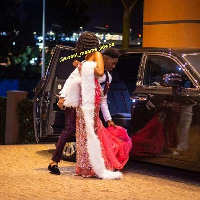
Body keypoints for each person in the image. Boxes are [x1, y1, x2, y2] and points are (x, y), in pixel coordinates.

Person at [64, 32, 132, 179]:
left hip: (91, 99)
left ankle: (91, 167)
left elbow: (100, 74)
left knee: (89, 132)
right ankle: (83, 166)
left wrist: (81, 65)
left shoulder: (96, 55)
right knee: (82, 133)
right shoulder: (89, 57)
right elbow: (74, 78)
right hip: (84, 97)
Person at [48, 40, 122, 175]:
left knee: (88, 135)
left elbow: (103, 98)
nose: (114, 66)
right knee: (70, 129)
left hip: (90, 108)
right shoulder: (89, 66)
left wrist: (108, 118)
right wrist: (62, 96)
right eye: (113, 62)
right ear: (105, 59)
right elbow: (71, 79)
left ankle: (89, 165)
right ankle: (54, 161)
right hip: (76, 102)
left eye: (116, 63)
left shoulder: (108, 77)